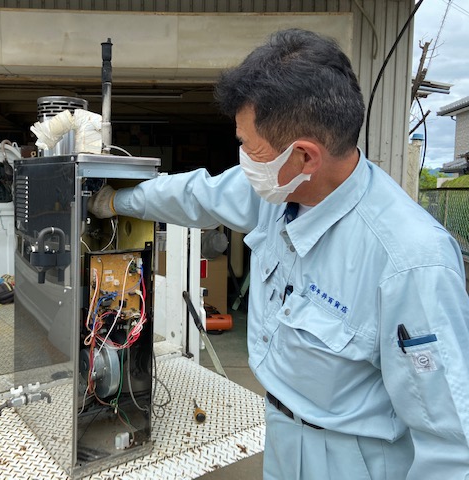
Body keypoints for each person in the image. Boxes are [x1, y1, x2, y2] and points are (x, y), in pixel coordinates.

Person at [88, 28, 469, 479]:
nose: (244, 158)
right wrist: (112, 201)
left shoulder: (410, 261)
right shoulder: (280, 193)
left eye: (250, 147)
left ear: (305, 157)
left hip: (354, 461)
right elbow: (197, 194)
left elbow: (451, 447)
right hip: (285, 436)